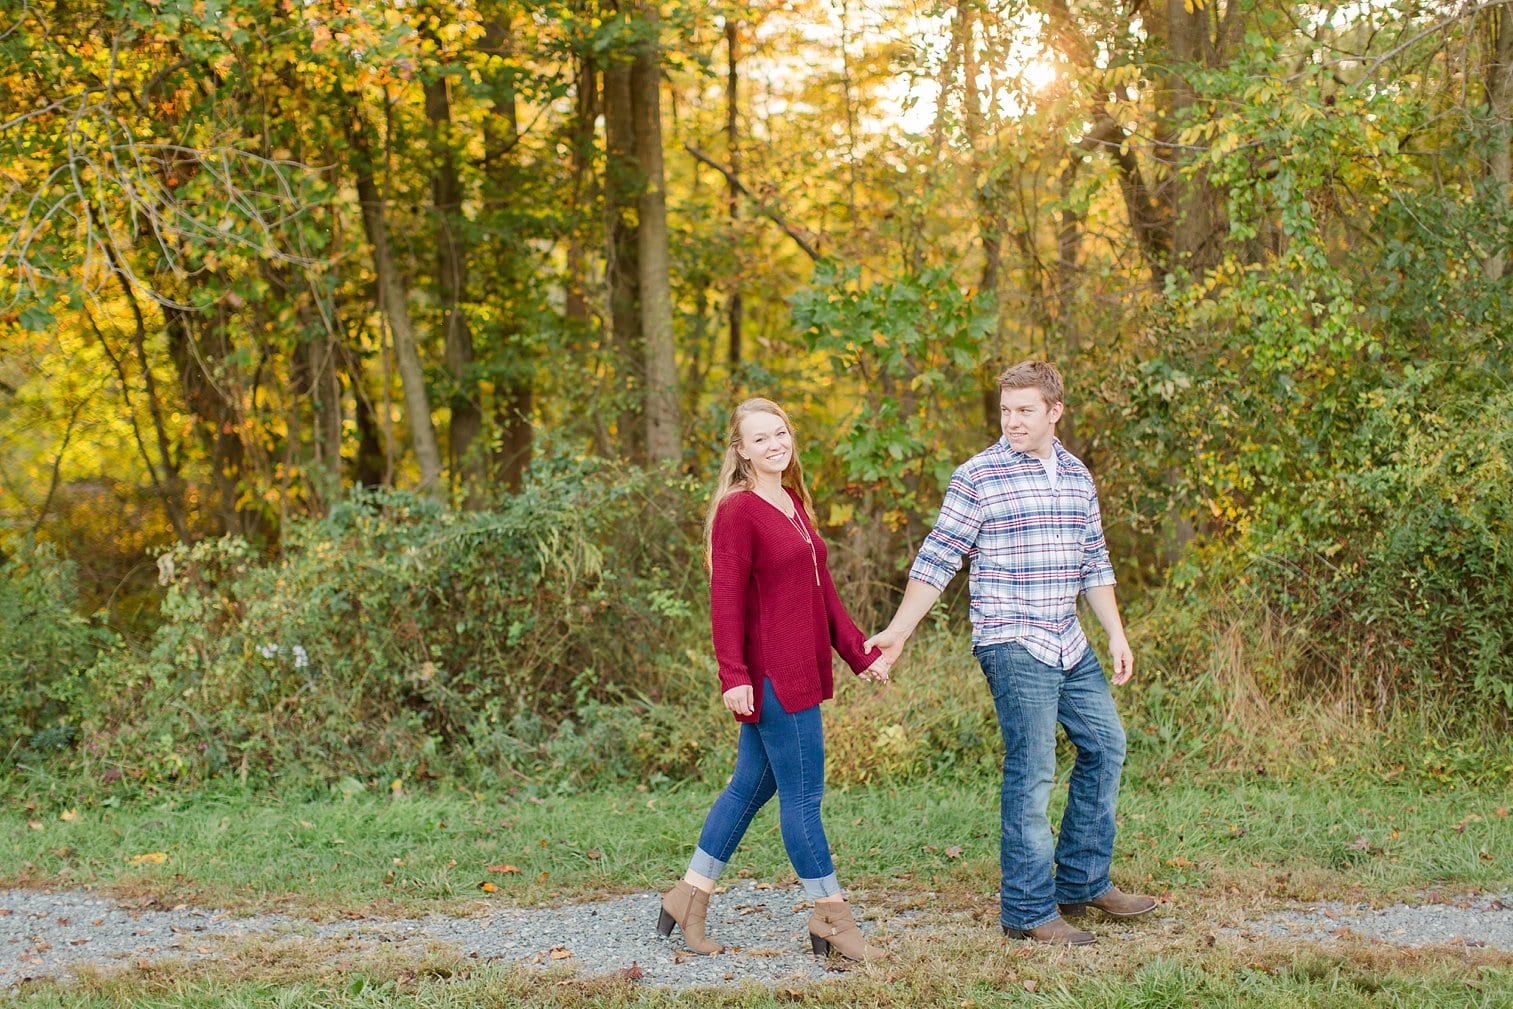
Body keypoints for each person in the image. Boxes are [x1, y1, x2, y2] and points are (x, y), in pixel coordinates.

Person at [865, 361, 1156, 946]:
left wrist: (1116, 633)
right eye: (1005, 409)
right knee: (1034, 768)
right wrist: (898, 630)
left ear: (1054, 412)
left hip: (1067, 638)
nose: (1012, 420)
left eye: (1025, 410)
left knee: (1106, 745)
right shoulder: (979, 476)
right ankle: (1027, 911)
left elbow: (1093, 561)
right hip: (1011, 639)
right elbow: (939, 556)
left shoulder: (1076, 476)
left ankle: (1080, 881)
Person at [658, 398, 890, 962]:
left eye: (780, 433)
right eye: (759, 438)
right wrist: (732, 674)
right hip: (770, 677)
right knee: (804, 797)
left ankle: (687, 895)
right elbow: (726, 598)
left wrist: (861, 654)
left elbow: (823, 593)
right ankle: (831, 917)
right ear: (740, 450)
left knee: (750, 787)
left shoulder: (790, 501)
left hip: (801, 669)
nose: (774, 445)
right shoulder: (738, 511)